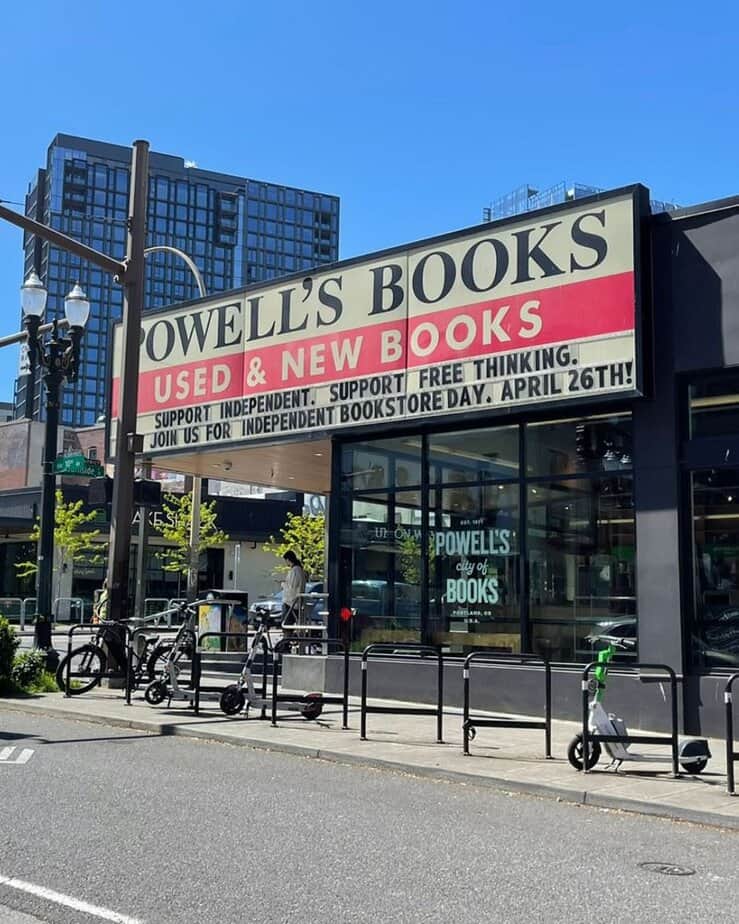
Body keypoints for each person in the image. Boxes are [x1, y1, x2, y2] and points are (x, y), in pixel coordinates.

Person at [281, 551, 306, 629]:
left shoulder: (295, 571)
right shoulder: (300, 570)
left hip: (291, 602)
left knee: (286, 625)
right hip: (296, 602)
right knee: (289, 625)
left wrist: (283, 584)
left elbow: (292, 587)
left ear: (288, 559)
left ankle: (287, 639)